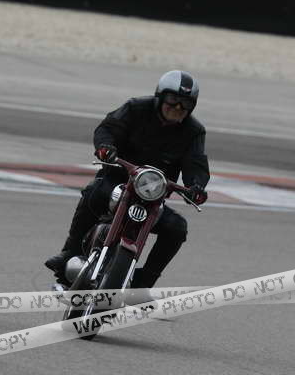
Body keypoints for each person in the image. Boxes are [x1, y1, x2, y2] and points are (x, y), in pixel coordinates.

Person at [45, 69, 210, 290]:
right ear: (160, 96)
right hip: (116, 179)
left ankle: (144, 283)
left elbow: (196, 163)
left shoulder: (194, 131)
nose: (178, 107)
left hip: (153, 197)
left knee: (177, 229)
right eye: (173, 99)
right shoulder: (135, 108)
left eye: (185, 103)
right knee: (93, 192)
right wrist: (105, 147)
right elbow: (108, 128)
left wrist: (196, 186)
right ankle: (69, 253)